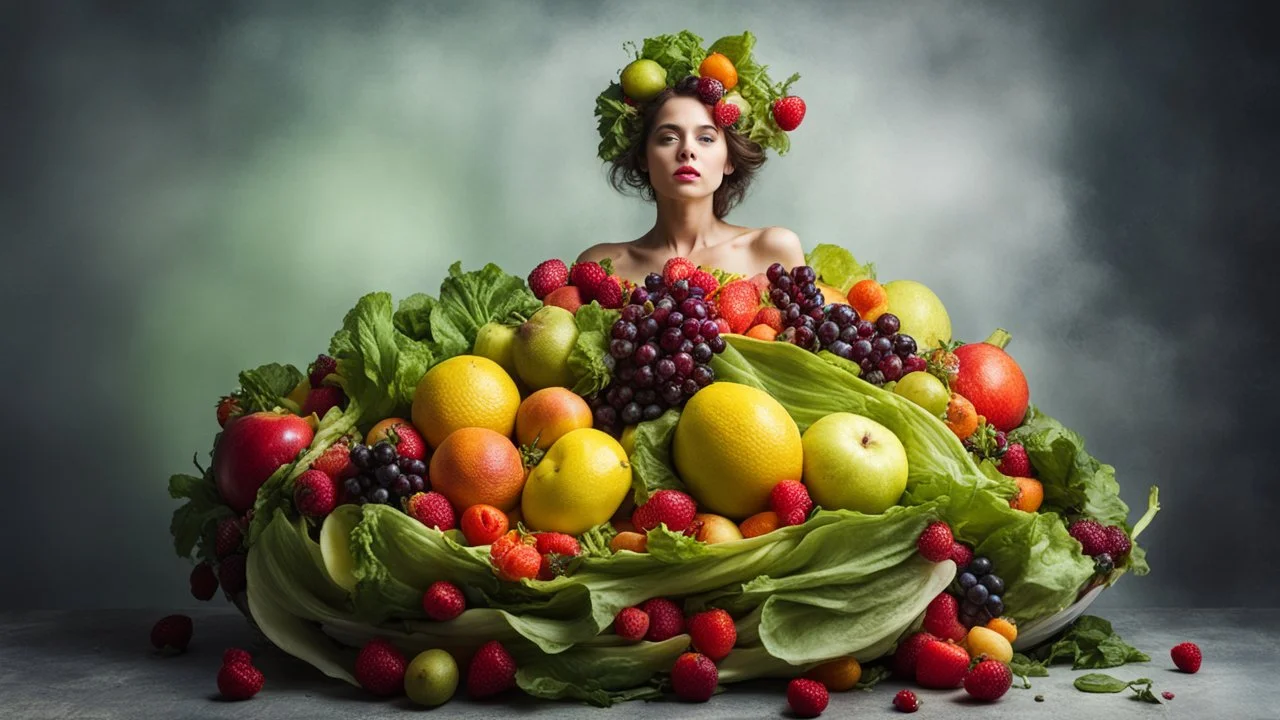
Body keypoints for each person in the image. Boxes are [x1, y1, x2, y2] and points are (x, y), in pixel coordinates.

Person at [578, 81, 806, 284]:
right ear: (643, 158)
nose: (687, 150)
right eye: (668, 138)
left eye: (706, 138)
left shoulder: (774, 249)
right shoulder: (600, 266)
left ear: (729, 160)